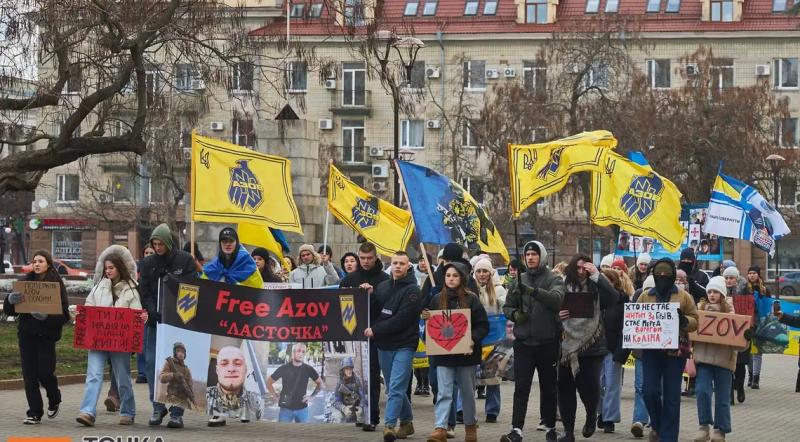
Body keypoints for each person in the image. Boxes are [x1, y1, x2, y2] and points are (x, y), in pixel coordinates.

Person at [501, 241, 565, 442]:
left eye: (534, 254)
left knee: (548, 387)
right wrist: (514, 314)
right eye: (527, 254)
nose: (530, 257)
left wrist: (532, 291)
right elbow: (507, 306)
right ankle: (516, 430)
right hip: (523, 344)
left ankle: (550, 427)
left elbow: (557, 300)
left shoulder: (554, 278)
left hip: (547, 343)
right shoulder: (518, 279)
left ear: (542, 256)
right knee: (521, 388)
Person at [139, 223, 198, 429]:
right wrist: (151, 309)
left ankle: (176, 412)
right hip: (156, 321)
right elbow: (144, 289)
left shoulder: (185, 260)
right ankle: (157, 406)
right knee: (151, 363)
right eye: (154, 244)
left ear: (168, 243)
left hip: (177, 321)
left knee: (178, 367)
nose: (157, 247)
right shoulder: (147, 263)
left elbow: (192, 288)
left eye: (160, 243)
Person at [422, 262, 489, 442]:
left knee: (467, 392)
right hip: (444, 355)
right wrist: (427, 318)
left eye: (455, 276)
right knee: (444, 392)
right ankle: (440, 428)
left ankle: (470, 427)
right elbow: (431, 329)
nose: (451, 279)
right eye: (448, 276)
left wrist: (472, 340)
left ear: (462, 278)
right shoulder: (436, 299)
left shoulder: (471, 299)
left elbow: (483, 325)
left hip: (467, 355)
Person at [76, 248, 143, 427]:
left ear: (120, 268)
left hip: (121, 343)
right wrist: (81, 314)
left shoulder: (131, 290)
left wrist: (140, 319)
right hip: (98, 340)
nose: (108, 271)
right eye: (106, 268)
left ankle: (128, 411)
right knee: (94, 375)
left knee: (122, 377)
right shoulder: (99, 286)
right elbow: (90, 305)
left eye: (111, 267)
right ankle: (87, 411)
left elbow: (136, 314)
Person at [556, 254, 619, 442]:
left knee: (589, 387)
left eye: (586, 268)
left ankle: (591, 414)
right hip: (566, 345)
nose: (581, 271)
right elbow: (552, 306)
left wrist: (597, 276)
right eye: (578, 267)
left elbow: (613, 298)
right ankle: (568, 431)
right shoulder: (562, 285)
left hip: (591, 345)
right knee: (565, 389)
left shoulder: (596, 286)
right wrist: (557, 314)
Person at [3, 249, 70, 425]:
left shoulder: (55, 284)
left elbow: (64, 316)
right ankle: (34, 412)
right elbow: (10, 311)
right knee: (29, 375)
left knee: (45, 372)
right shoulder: (24, 283)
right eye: (34, 261)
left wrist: (47, 317)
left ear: (48, 264)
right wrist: (10, 300)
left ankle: (54, 397)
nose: (37, 264)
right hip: (27, 335)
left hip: (46, 336)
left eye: (40, 261)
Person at [637, 258, 698, 442]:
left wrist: (684, 321)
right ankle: (657, 424)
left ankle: (669, 437)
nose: (662, 278)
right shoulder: (645, 296)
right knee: (650, 392)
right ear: (654, 276)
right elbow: (635, 319)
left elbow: (695, 319)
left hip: (675, 353)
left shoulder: (683, 296)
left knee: (672, 397)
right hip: (651, 352)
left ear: (672, 276)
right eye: (659, 275)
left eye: (666, 275)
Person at [364, 251, 420, 442]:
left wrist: (376, 330)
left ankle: (389, 426)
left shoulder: (413, 290)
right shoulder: (383, 287)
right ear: (391, 264)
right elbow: (376, 311)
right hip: (384, 345)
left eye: (402, 264)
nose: (397, 266)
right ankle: (407, 421)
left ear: (408, 266)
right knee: (393, 387)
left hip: (405, 344)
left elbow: (402, 319)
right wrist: (369, 295)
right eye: (395, 263)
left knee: (396, 387)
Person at [339, 242, 391, 432]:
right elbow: (341, 307)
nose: (366, 261)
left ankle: (372, 416)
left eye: (370, 258)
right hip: (354, 334)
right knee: (356, 376)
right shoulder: (349, 279)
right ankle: (359, 412)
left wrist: (372, 295)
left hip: (376, 334)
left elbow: (387, 309)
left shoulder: (386, 280)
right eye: (362, 258)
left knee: (372, 375)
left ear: (376, 257)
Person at [693, 276, 748, 442]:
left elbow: (739, 346)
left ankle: (720, 430)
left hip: (724, 362)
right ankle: (704, 426)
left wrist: (745, 338)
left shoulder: (731, 315)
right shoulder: (699, 311)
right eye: (709, 291)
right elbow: (691, 335)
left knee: (723, 398)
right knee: (702, 392)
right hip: (703, 360)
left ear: (722, 294)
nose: (711, 294)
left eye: (715, 291)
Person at [473, 257, 507, 423]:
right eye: (478, 271)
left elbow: (506, 310)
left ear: (490, 272)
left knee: (493, 377)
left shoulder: (499, 290)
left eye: (485, 271)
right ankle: (462, 409)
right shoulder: (469, 289)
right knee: (468, 375)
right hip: (474, 339)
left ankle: (492, 410)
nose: (482, 274)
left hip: (494, 339)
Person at [598, 269, 629, 435]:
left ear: (613, 281)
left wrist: (621, 351)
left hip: (612, 348)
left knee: (611, 386)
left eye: (606, 280)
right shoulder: (596, 298)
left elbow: (626, 328)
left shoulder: (623, 300)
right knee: (596, 385)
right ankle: (600, 411)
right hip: (596, 349)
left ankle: (609, 418)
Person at [267, 343, 323, 423]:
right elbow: (269, 382)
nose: (301, 353)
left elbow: (320, 383)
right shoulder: (284, 368)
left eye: (303, 351)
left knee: (302, 434)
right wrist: (275, 396)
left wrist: (312, 396)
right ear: (293, 353)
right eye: (299, 351)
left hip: (302, 410)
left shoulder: (308, 369)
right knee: (283, 434)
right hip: (285, 410)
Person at [207, 345, 262, 424]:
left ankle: (244, 414)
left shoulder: (257, 401)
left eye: (238, 363)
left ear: (245, 369)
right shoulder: (204, 396)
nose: (231, 369)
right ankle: (218, 415)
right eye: (224, 363)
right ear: (217, 370)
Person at [630, 275, 655, 438]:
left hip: (661, 353)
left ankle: (656, 421)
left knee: (657, 389)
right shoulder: (637, 300)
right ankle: (639, 420)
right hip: (642, 351)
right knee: (640, 387)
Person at [722, 266, 750, 405]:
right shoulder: (720, 292)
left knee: (739, 364)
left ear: (737, 279)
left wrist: (750, 328)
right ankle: (729, 394)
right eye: (726, 278)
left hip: (741, 332)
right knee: (727, 363)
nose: (728, 280)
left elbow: (751, 311)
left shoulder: (745, 291)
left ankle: (740, 387)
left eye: (731, 278)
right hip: (726, 332)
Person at [745, 265, 770, 389]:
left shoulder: (764, 289)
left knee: (758, 352)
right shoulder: (744, 288)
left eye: (754, 273)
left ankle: (756, 378)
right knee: (749, 351)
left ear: (758, 274)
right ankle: (750, 374)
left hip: (760, 322)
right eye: (750, 273)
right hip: (748, 323)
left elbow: (768, 305)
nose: (752, 275)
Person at [136, 244, 156, 384]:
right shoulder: (138, 269)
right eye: (146, 252)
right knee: (141, 345)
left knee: (150, 345)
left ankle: (150, 372)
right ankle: (142, 372)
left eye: (151, 252)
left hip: (152, 312)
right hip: (140, 312)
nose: (148, 255)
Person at [159, 342, 197, 411]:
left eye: (183, 352)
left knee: (188, 407)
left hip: (183, 398)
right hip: (172, 396)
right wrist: (173, 375)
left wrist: (192, 398)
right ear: (175, 353)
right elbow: (162, 378)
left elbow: (189, 386)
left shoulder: (186, 369)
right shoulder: (170, 363)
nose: (181, 353)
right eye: (178, 351)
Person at [333, 357, 366, 424]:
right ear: (343, 370)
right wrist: (343, 408)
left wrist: (361, 406)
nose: (349, 371)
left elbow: (362, 396)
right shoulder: (340, 383)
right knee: (338, 417)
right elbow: (336, 400)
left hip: (356, 406)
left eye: (350, 368)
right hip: (346, 407)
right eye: (347, 369)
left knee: (365, 414)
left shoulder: (357, 380)